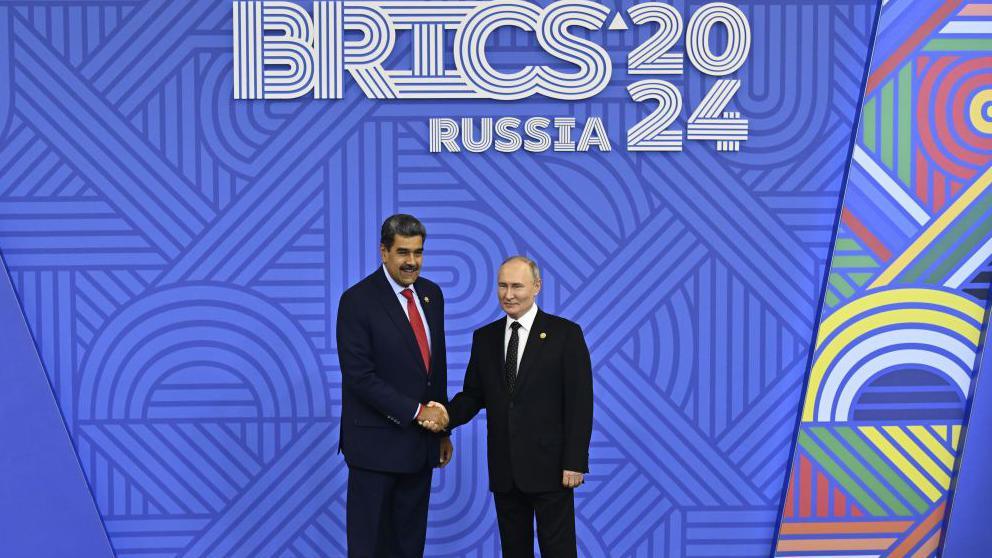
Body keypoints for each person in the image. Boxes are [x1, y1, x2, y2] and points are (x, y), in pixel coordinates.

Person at [437, 255, 593, 557]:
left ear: (536, 287)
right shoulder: (484, 338)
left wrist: (574, 461)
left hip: (552, 468)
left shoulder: (565, 334)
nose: (508, 294)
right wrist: (444, 416)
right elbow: (473, 395)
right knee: (513, 550)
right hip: (505, 468)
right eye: (502, 286)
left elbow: (580, 402)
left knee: (558, 550)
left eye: (517, 286)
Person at [335, 214, 453, 558]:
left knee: (409, 547)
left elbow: (435, 369)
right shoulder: (357, 301)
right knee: (369, 548)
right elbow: (359, 377)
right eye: (403, 252)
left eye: (418, 252)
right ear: (383, 252)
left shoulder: (432, 295)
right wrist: (419, 412)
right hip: (374, 449)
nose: (411, 262)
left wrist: (443, 432)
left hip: (419, 447)